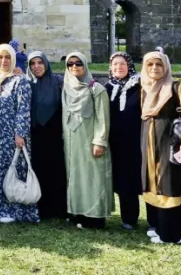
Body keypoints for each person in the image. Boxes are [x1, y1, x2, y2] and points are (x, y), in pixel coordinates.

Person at [140, 51, 181, 244]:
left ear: (165, 67)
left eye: (158, 64)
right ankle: (158, 228)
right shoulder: (145, 88)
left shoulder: (176, 87)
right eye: (149, 65)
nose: (154, 68)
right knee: (154, 185)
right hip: (150, 145)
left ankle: (172, 236)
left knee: (170, 185)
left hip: (171, 144)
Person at [0, 43, 38, 224]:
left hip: (12, 136)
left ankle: (13, 210)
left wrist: (20, 134)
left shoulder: (20, 81)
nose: (4, 61)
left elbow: (23, 109)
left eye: (8, 57)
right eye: (0, 57)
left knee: (13, 171)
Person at [62, 52, 112, 229]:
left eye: (78, 63)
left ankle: (95, 217)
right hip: (71, 142)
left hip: (89, 141)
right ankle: (77, 213)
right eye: (70, 64)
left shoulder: (96, 89)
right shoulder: (66, 88)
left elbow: (103, 118)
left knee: (93, 178)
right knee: (76, 177)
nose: (74, 67)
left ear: (85, 65)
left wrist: (100, 141)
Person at [24, 51, 66, 220]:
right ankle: (40, 208)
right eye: (32, 63)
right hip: (35, 134)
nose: (36, 66)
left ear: (46, 63)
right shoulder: (26, 83)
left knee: (55, 170)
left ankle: (58, 207)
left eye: (40, 62)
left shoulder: (58, 82)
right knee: (38, 169)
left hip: (54, 133)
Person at [106, 51, 142, 231]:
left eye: (122, 64)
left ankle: (144, 218)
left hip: (136, 141)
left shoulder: (140, 86)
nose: (118, 67)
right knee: (121, 180)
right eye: (115, 65)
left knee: (135, 179)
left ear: (129, 66)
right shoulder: (107, 87)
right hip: (115, 142)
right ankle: (127, 218)